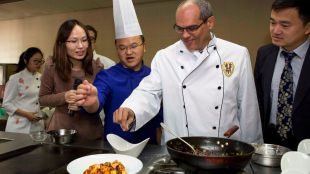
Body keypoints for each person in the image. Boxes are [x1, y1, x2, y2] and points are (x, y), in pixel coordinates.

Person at [77, 0, 263, 143]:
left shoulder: (236, 54)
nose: (184, 35)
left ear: (210, 23)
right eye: (179, 28)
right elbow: (148, 92)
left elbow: (248, 108)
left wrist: (254, 148)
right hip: (180, 149)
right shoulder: (165, 56)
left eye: (191, 28)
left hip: (224, 147)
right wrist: (132, 109)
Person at [75, 0, 163, 144]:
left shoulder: (155, 76)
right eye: (122, 48)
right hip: (115, 148)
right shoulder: (106, 76)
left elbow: (160, 120)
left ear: (144, 46)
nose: (128, 52)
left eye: (134, 45)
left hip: (149, 148)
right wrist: (90, 102)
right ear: (117, 49)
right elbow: (95, 104)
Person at [254, 0, 310, 150]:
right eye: (272, 23)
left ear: (307, 27)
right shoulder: (264, 54)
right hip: (269, 142)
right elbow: (258, 101)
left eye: (285, 25)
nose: (275, 30)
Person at [39, 19, 103, 140]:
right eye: (73, 41)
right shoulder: (52, 66)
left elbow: (100, 100)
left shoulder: (97, 68)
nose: (80, 46)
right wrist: (65, 97)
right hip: (61, 131)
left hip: (90, 131)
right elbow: (42, 99)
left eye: (84, 40)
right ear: (62, 43)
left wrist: (85, 102)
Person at [3, 47, 45, 133]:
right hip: (19, 126)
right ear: (26, 61)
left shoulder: (41, 78)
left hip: (37, 125)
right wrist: (26, 114)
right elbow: (6, 104)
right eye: (35, 61)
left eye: (41, 61)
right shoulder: (15, 78)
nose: (39, 64)